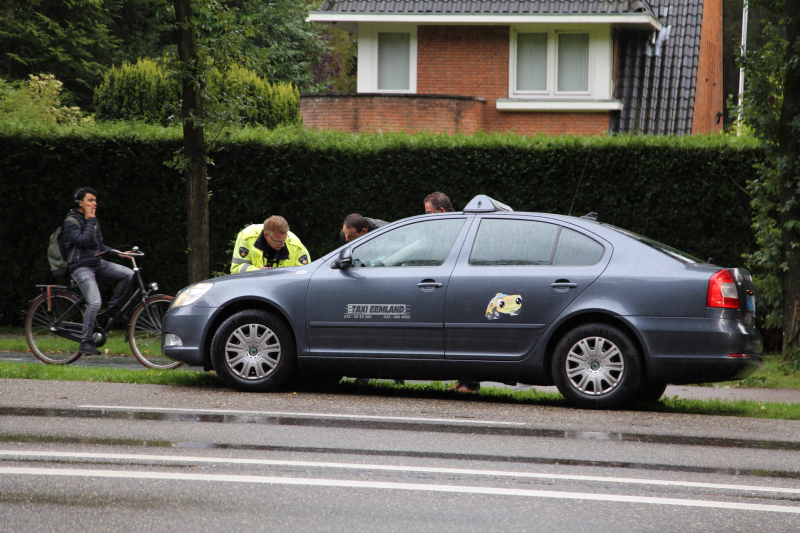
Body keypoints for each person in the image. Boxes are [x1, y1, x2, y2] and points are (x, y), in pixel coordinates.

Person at [63, 187, 134, 356]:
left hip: (96, 263)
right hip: (80, 266)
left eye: (95, 200)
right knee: (94, 302)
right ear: (80, 203)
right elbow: (84, 242)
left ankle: (114, 309)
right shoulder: (71, 222)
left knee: (129, 274)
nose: (94, 203)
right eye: (90, 200)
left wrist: (119, 253)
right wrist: (90, 220)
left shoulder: (92, 222)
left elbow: (99, 247)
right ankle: (86, 342)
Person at [424, 192, 481, 393]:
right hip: (458, 287)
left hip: (464, 289)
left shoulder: (457, 227)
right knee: (454, 337)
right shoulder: (457, 225)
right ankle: (463, 380)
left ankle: (471, 384)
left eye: (428, 212)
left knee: (464, 336)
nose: (425, 217)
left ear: (440, 211)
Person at [230, 215, 310, 274]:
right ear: (266, 235)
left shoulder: (296, 246)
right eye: (278, 241)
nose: (282, 245)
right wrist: (257, 272)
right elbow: (236, 268)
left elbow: (306, 274)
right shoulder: (246, 237)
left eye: (284, 240)